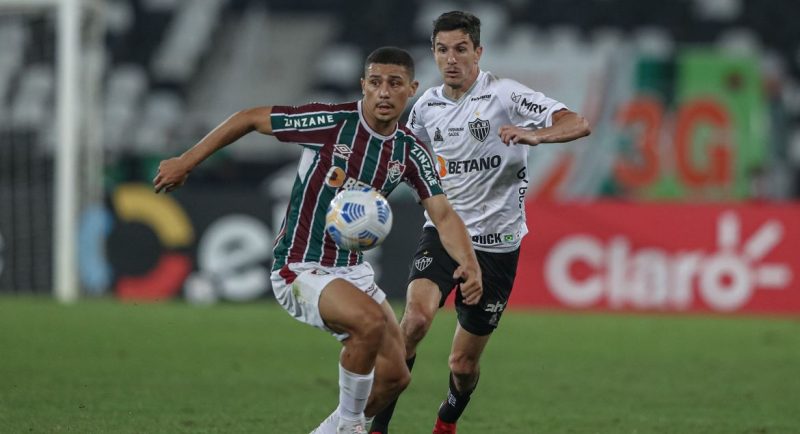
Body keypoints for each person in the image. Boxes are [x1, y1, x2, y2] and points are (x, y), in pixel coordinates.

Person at [152, 47, 483, 434]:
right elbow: (251, 118)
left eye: (394, 84)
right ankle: (349, 426)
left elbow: (443, 213)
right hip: (300, 265)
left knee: (395, 378)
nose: (383, 92)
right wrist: (186, 161)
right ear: (363, 85)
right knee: (369, 323)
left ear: (412, 89)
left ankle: (336, 429)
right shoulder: (333, 123)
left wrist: (470, 262)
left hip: (351, 270)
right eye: (375, 82)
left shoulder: (409, 151)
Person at [369, 12, 591, 434]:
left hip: (497, 247)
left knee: (463, 364)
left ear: (478, 52)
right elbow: (402, 161)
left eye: (460, 49)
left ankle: (446, 422)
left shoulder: (505, 95)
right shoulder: (426, 109)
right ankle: (377, 427)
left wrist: (535, 135)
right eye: (441, 50)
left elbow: (577, 122)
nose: (450, 59)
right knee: (414, 321)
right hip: (445, 233)